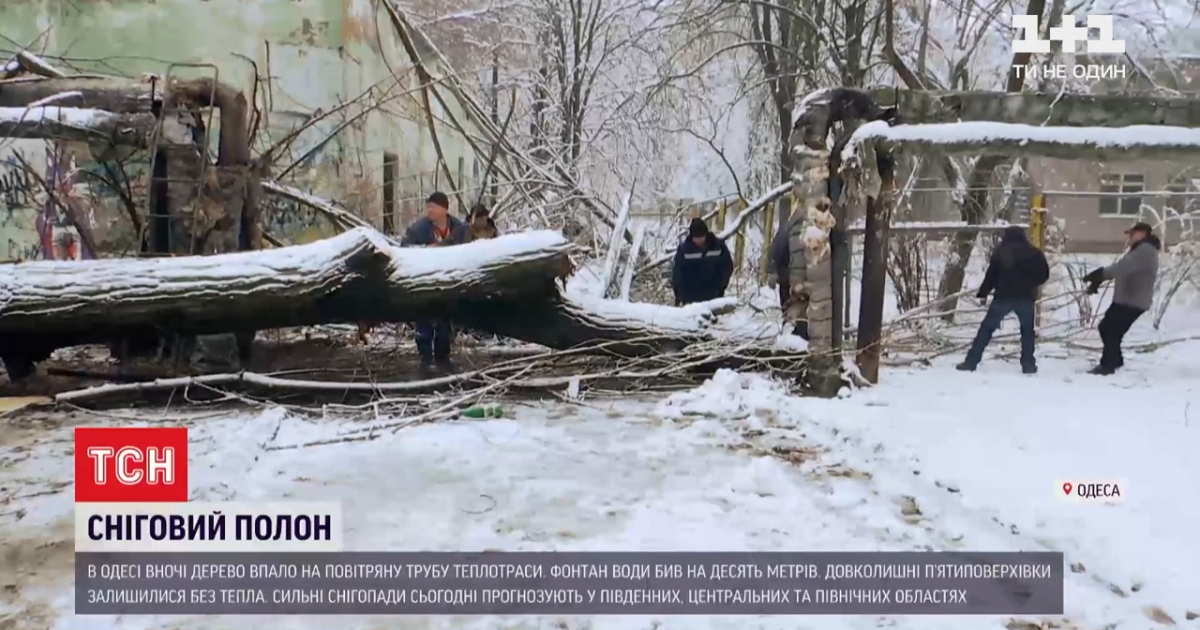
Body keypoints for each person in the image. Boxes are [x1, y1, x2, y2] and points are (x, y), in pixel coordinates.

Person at [956, 225, 1050, 374]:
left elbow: (991, 275)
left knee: (986, 329)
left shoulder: (1001, 252)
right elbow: (1044, 274)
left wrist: (983, 292)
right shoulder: (1034, 253)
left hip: (1003, 297)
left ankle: (971, 361)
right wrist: (1031, 284)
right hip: (1025, 298)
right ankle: (1028, 364)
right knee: (1027, 332)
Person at [1081, 222, 1160, 375]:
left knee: (1110, 330)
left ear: (1143, 233)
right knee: (1108, 329)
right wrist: (1099, 281)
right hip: (1127, 299)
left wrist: (1100, 274)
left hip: (1133, 301)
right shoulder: (1140, 249)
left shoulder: (1145, 250)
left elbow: (1122, 267)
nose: (1129, 237)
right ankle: (1115, 359)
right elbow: (1123, 269)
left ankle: (1108, 365)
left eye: (1132, 234)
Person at [401, 192, 465, 374]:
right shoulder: (418, 229)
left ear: (445, 209)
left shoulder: (459, 228)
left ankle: (443, 358)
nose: (429, 210)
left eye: (433, 207)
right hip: (426, 281)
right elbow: (404, 248)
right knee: (424, 320)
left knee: (446, 322)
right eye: (428, 206)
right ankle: (425, 359)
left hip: (450, 282)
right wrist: (426, 250)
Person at [671, 218, 733, 306]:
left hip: (713, 295)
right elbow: (677, 273)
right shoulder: (684, 250)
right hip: (690, 298)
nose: (699, 240)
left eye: (701, 237)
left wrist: (719, 287)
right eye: (696, 238)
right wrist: (680, 295)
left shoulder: (718, 247)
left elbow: (726, 267)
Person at [768, 215, 810, 340]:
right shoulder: (790, 229)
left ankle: (791, 336)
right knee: (797, 314)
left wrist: (773, 272)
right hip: (793, 279)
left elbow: (774, 252)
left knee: (792, 314)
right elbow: (776, 251)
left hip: (789, 279)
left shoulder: (787, 227)